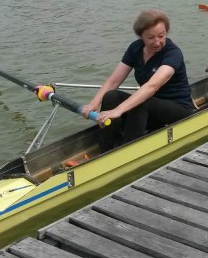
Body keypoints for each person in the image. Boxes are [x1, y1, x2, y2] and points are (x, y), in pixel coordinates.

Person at [82, 9, 194, 152]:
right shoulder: (135, 48)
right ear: (141, 36)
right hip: (150, 111)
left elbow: (152, 87)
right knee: (111, 96)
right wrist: (94, 103)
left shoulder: (173, 53)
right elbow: (113, 81)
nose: (158, 42)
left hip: (178, 110)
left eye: (161, 36)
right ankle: (105, 149)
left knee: (141, 100)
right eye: (151, 38)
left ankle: (129, 150)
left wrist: (118, 111)